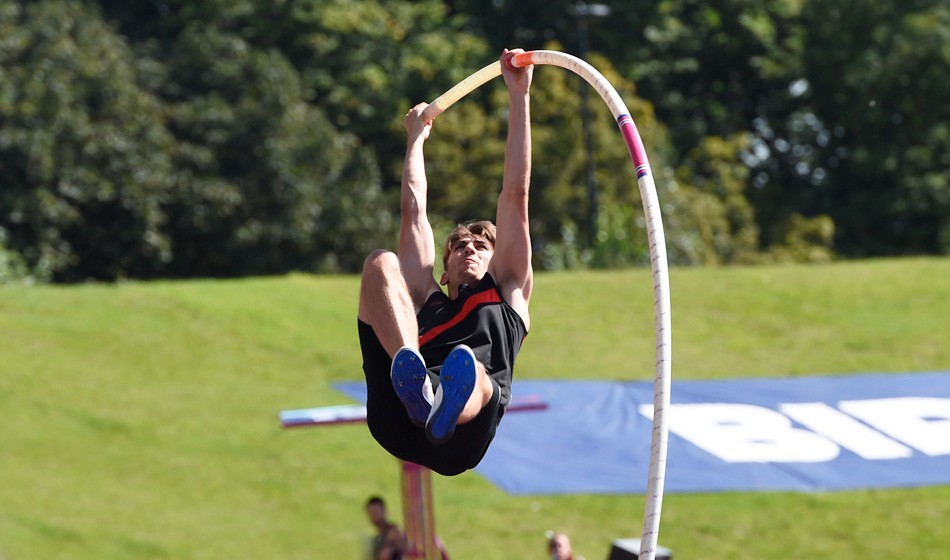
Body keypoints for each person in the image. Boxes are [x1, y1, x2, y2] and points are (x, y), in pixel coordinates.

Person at [357, 48, 534, 477]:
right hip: (398, 421)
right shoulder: (427, 301)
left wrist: (519, 96)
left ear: (498, 260)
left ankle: (443, 402)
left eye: (480, 245)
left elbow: (515, 196)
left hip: (461, 439)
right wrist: (415, 139)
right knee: (381, 263)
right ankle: (416, 382)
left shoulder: (507, 291)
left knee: (468, 366)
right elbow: (414, 213)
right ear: (445, 268)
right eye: (458, 246)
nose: (469, 249)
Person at [365, 496, 408, 560]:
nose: (374, 517)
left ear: (385, 511)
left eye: (376, 512)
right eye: (371, 514)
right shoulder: (379, 536)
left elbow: (407, 546)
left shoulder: (393, 531)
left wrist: (391, 548)